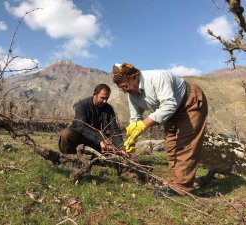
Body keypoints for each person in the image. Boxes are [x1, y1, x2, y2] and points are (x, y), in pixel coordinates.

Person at [112, 63, 208, 196]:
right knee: (171, 146)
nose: (124, 90)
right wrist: (132, 136)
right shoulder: (131, 94)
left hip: (189, 103)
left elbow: (169, 104)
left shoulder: (157, 77)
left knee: (186, 145)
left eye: (125, 86)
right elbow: (135, 118)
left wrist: (143, 124)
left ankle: (180, 188)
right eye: (121, 88)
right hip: (170, 114)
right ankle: (176, 182)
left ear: (134, 77)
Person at [59, 83, 125, 155]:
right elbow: (81, 126)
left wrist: (121, 147)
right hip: (80, 136)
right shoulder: (82, 105)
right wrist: (100, 140)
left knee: (113, 142)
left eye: (107, 99)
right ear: (95, 94)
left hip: (97, 140)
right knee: (66, 134)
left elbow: (114, 129)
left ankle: (101, 158)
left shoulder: (108, 109)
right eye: (102, 98)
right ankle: (69, 157)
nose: (105, 101)